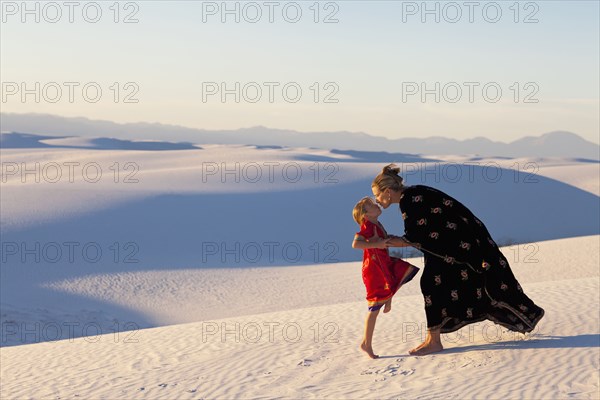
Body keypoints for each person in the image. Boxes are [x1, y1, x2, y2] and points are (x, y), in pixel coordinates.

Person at [372, 164, 545, 356]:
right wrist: (391, 241)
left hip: (458, 247)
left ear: (387, 191)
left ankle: (434, 341)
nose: (377, 200)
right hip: (451, 247)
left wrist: (385, 242)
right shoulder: (414, 193)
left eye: (377, 195)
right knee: (442, 284)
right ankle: (434, 339)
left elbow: (416, 236)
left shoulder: (409, 199)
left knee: (433, 284)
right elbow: (426, 231)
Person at [352, 196, 420, 359]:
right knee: (374, 309)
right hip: (374, 269)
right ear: (365, 214)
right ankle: (366, 344)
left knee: (401, 270)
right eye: (371, 205)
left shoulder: (377, 224)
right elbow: (356, 244)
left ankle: (387, 299)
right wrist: (377, 244)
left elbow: (382, 239)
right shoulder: (367, 225)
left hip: (384, 263)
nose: (376, 205)